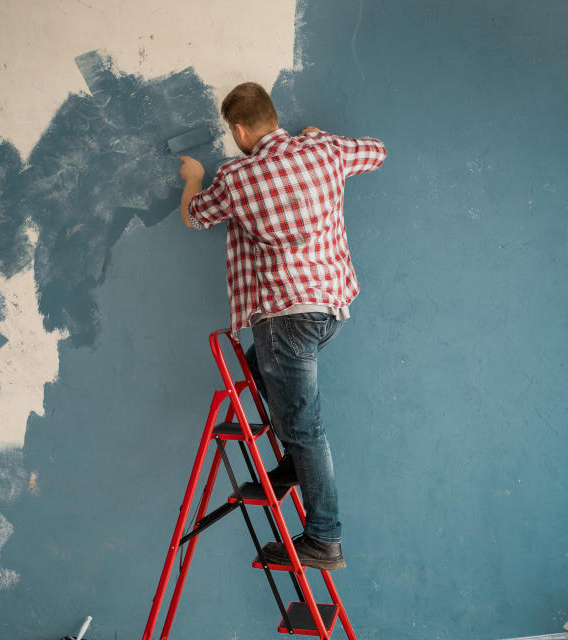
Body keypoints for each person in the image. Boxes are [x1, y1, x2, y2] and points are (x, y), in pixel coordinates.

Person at [178, 82, 386, 570]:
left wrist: (193, 175)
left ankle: (324, 539)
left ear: (240, 129)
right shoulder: (324, 150)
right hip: (328, 311)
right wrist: (321, 135)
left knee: (306, 426)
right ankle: (296, 463)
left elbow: (194, 214)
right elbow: (377, 152)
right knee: (260, 374)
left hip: (283, 318)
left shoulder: (236, 177)